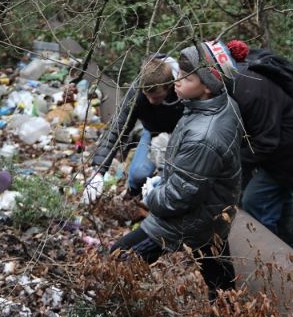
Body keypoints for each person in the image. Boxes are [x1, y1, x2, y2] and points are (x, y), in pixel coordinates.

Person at [110, 42, 241, 299]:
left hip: (189, 219)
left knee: (117, 261)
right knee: (220, 276)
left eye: (187, 77)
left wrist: (152, 195)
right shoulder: (216, 105)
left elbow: (178, 198)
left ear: (208, 85)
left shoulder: (204, 135)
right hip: (212, 210)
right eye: (178, 73)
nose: (177, 81)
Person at [232, 51, 293, 248]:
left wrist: (233, 160)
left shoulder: (250, 89)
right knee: (278, 201)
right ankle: (288, 253)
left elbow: (265, 142)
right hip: (289, 152)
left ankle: (270, 259)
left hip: (292, 155)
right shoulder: (244, 82)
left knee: (254, 202)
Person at [82, 54, 183, 202]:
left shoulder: (182, 89)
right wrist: (98, 171)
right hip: (152, 132)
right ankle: (133, 195)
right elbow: (117, 128)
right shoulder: (137, 91)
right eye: (147, 95)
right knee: (138, 175)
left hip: (180, 137)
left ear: (169, 87)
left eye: (156, 97)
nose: (150, 101)